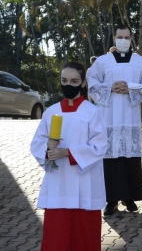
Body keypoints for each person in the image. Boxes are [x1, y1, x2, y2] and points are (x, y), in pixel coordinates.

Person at [30, 62, 108, 251]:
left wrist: (67, 152)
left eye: (74, 81)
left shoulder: (93, 112)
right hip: (59, 182)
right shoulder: (51, 112)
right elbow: (36, 144)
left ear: (83, 83)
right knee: (57, 235)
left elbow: (100, 145)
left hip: (85, 182)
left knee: (84, 236)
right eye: (64, 80)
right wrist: (48, 150)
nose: (68, 85)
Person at [87, 24, 142, 216]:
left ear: (131, 39)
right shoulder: (102, 61)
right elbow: (92, 83)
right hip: (108, 118)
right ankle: (111, 200)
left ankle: (129, 196)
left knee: (129, 158)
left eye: (126, 37)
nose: (123, 40)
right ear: (114, 39)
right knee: (111, 159)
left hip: (130, 118)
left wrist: (130, 88)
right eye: (120, 37)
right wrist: (110, 87)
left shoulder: (140, 62)